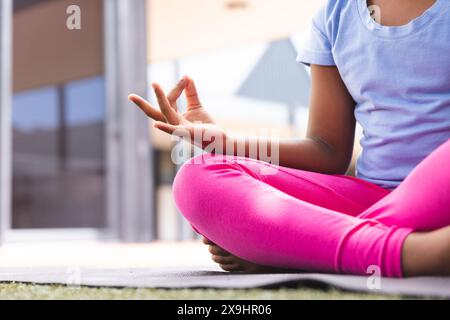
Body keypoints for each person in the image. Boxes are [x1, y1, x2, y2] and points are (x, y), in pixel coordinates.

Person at [129, 0, 450, 277]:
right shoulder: (335, 14)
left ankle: (306, 248)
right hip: (373, 202)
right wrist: (224, 143)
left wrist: (269, 241)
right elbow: (327, 149)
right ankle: (414, 252)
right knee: (198, 177)